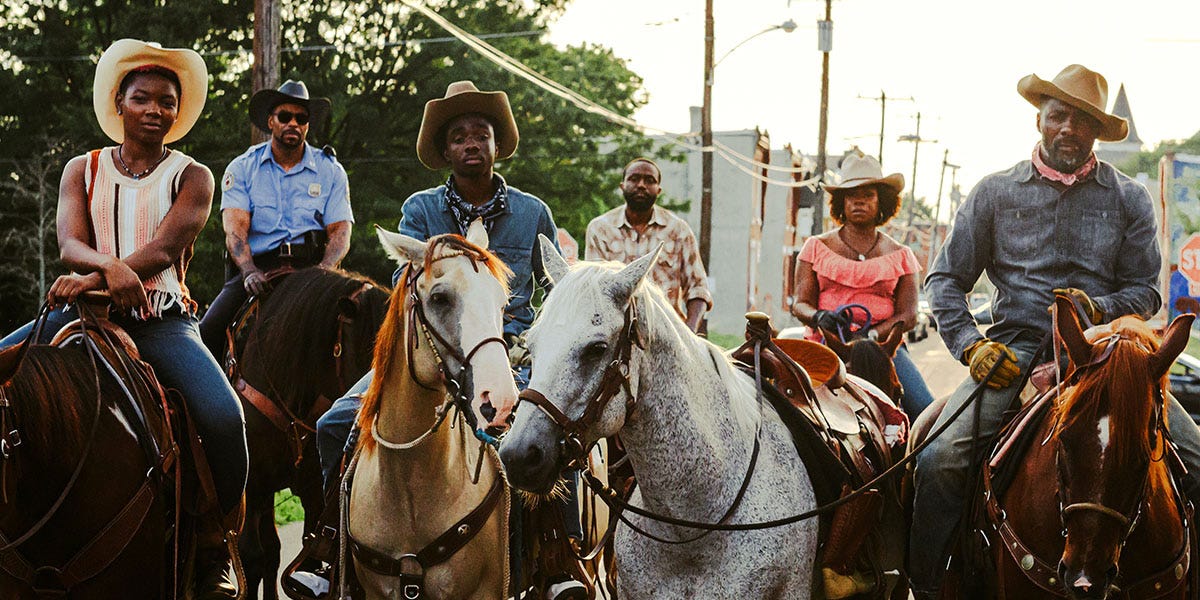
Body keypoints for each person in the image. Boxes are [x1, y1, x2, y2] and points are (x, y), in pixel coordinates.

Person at [912, 64, 1200, 599]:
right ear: (1039, 119)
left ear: (1096, 133)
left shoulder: (1129, 198)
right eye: (1058, 116)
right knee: (939, 460)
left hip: (1108, 353)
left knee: (1197, 458)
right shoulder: (994, 193)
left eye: (1082, 121)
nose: (1068, 128)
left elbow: (1147, 291)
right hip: (1014, 352)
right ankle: (928, 588)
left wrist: (1099, 307)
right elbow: (945, 280)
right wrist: (972, 345)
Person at [302, 81, 586, 600]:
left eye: (481, 133)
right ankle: (328, 548)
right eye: (458, 136)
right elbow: (403, 292)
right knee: (334, 423)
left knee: (545, 437)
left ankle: (557, 557)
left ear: (498, 144)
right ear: (445, 151)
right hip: (432, 350)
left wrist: (533, 346)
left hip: (510, 352)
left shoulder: (532, 213)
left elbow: (558, 287)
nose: (471, 142)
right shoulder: (420, 211)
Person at [0, 39, 247, 599]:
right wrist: (103, 275)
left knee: (224, 415)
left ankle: (215, 542)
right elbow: (68, 243)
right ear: (119, 103)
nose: (156, 110)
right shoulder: (79, 170)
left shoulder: (195, 176)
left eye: (167, 102)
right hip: (77, 314)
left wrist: (97, 275)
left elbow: (164, 249)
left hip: (159, 320)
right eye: (143, 99)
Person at [197, 80, 352, 360]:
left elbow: (340, 231)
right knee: (207, 333)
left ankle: (360, 402)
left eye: (301, 118)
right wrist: (248, 270)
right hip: (259, 270)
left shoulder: (331, 171)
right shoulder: (243, 167)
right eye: (285, 116)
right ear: (271, 121)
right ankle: (202, 402)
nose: (293, 123)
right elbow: (235, 231)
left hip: (312, 268)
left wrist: (325, 271)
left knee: (359, 331)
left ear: (307, 125)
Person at [789, 151, 935, 417]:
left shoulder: (901, 255)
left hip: (883, 351)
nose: (858, 201)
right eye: (851, 195)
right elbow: (800, 304)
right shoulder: (815, 247)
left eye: (867, 194)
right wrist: (819, 316)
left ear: (882, 201)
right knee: (788, 413)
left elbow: (909, 315)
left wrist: (871, 337)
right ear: (841, 202)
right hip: (824, 343)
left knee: (926, 411)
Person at [585, 157, 712, 332]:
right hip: (616, 334)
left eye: (649, 180)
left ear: (658, 190)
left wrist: (689, 333)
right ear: (622, 185)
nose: (641, 185)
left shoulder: (678, 230)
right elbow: (595, 290)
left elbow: (698, 289)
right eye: (634, 179)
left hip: (668, 333)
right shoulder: (600, 229)